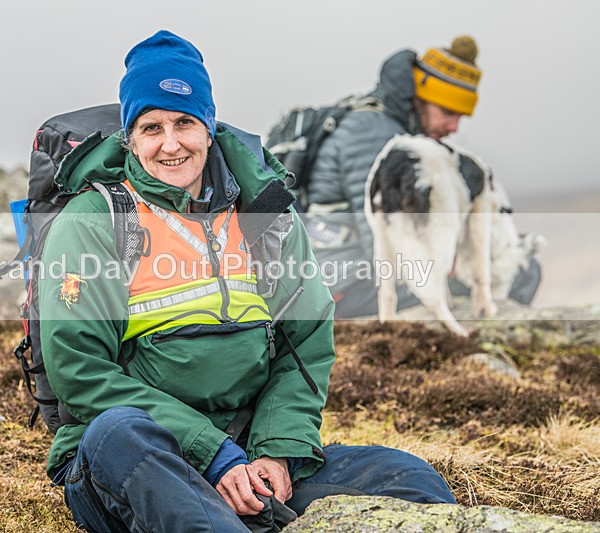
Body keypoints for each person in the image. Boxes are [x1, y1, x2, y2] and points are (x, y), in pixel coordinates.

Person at [39, 30, 455, 532]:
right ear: (130, 138)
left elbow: (305, 345)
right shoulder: (95, 220)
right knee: (118, 432)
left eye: (185, 122)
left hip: (249, 454)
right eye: (151, 127)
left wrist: (276, 452)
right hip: (140, 458)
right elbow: (80, 372)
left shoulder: (265, 214)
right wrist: (213, 457)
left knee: (407, 479)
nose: (170, 143)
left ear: (209, 128)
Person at [305, 36, 542, 318]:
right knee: (518, 272)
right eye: (448, 112)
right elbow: (386, 249)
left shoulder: (390, 129)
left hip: (349, 275)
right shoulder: (373, 135)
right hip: (341, 285)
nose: (454, 127)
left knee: (509, 260)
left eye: (460, 117)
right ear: (420, 98)